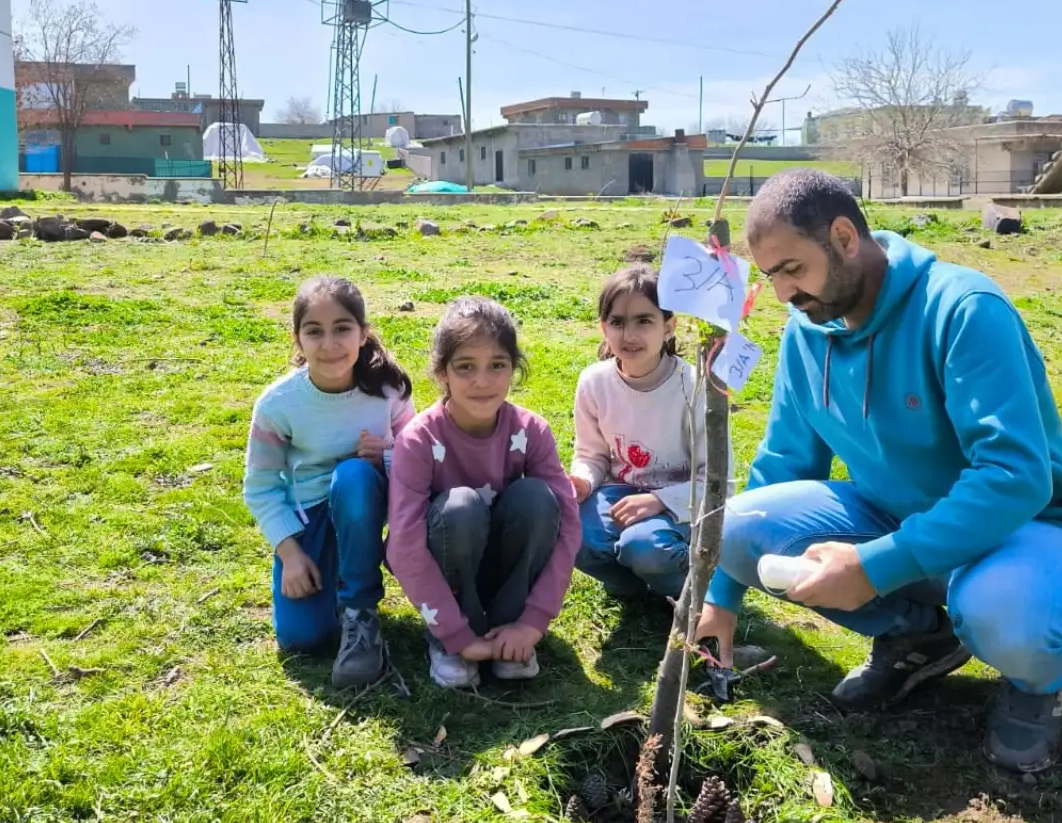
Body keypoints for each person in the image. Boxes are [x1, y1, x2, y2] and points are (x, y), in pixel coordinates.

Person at [696, 169, 1062, 774]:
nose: (783, 294)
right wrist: (722, 597)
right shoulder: (807, 335)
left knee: (1004, 612)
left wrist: (874, 565)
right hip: (896, 518)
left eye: (792, 269)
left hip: (1023, 529)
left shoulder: (963, 308)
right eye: (770, 276)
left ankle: (1036, 682)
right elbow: (786, 463)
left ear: (843, 237)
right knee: (737, 526)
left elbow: (1015, 476)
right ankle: (921, 637)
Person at [387, 297, 581, 690]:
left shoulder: (532, 431)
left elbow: (568, 526)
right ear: (442, 373)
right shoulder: (418, 440)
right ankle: (451, 637)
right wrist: (456, 635)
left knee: (538, 499)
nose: (482, 381)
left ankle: (509, 630)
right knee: (461, 506)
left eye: (497, 365)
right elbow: (403, 545)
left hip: (501, 568)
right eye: (465, 367)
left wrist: (533, 623)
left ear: (514, 368)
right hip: (450, 563)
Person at [243, 276, 415, 686]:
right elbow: (261, 485)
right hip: (311, 517)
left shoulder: (389, 390)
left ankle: (360, 609)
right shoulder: (277, 404)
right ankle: (335, 574)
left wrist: (388, 455)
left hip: (367, 505)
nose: (330, 344)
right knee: (302, 637)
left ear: (363, 333)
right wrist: (290, 554)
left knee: (353, 474)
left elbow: (419, 461)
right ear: (297, 338)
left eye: (342, 329)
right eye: (314, 332)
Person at [570, 265, 719, 601]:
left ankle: (688, 592)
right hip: (619, 493)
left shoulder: (694, 388)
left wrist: (659, 500)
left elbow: (715, 479)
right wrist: (582, 480)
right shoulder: (594, 382)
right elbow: (591, 455)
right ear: (603, 328)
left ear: (669, 326)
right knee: (569, 532)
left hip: (679, 500)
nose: (629, 335)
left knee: (644, 546)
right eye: (618, 322)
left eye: (644, 320)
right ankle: (635, 588)